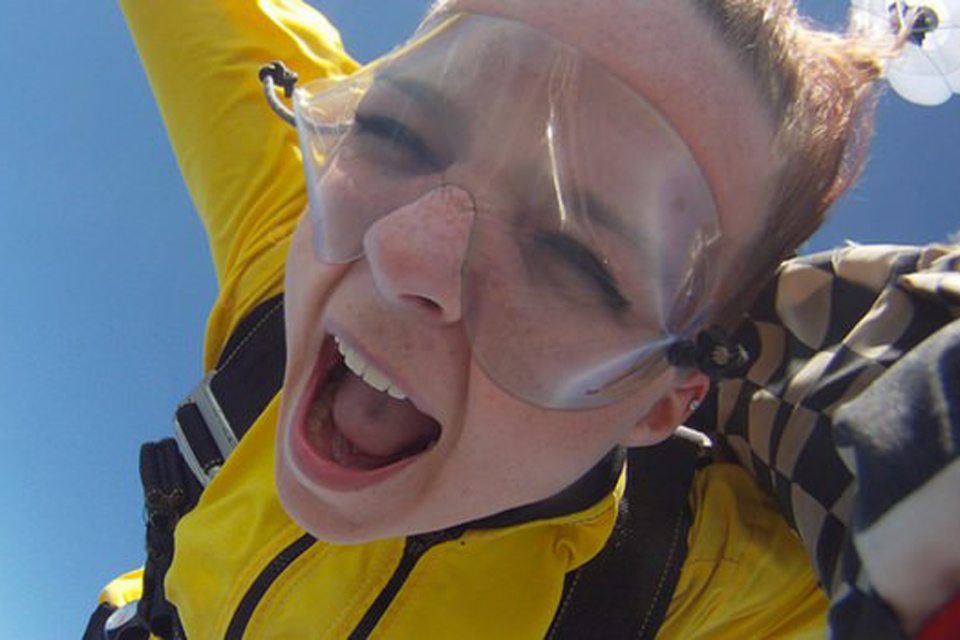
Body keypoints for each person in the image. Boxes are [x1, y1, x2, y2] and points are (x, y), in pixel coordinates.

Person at [88, 0, 960, 638]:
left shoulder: (695, 575)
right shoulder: (304, 211)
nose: (407, 256)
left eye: (577, 262)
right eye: (394, 133)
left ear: (662, 403)